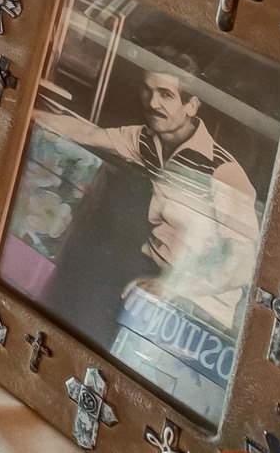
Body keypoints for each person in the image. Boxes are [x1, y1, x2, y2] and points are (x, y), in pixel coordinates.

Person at [33, 46, 261, 331]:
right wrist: (24, 110)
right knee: (79, 278)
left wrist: (172, 287)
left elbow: (244, 264)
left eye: (166, 94)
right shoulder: (148, 140)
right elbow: (89, 134)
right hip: (150, 268)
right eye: (148, 90)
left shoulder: (221, 170)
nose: (152, 103)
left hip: (199, 297)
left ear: (191, 106)